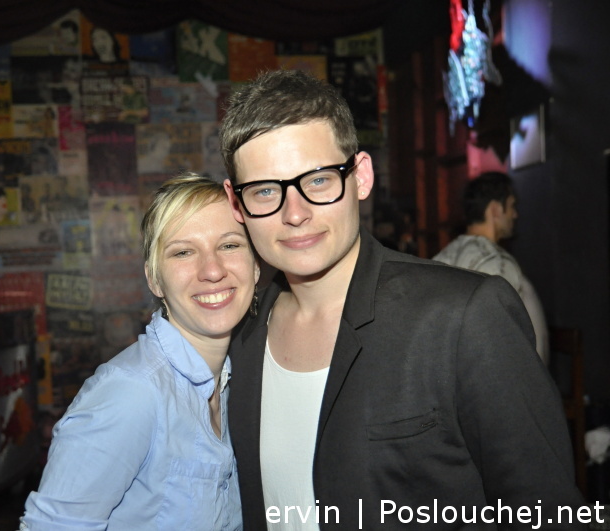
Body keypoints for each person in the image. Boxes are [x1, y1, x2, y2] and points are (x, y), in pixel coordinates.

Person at [218, 70, 584, 530]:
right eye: (265, 190)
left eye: (318, 180)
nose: (295, 213)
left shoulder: (464, 316)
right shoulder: (239, 335)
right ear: (237, 203)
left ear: (361, 176)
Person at [20, 174, 257, 530]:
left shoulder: (239, 382)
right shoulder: (131, 393)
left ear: (256, 264)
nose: (212, 270)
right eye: (183, 252)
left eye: (229, 245)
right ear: (154, 279)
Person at [433, 171, 550, 365]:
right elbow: (497, 345)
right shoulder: (495, 264)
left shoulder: (441, 257)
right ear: (495, 209)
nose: (515, 214)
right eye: (511, 206)